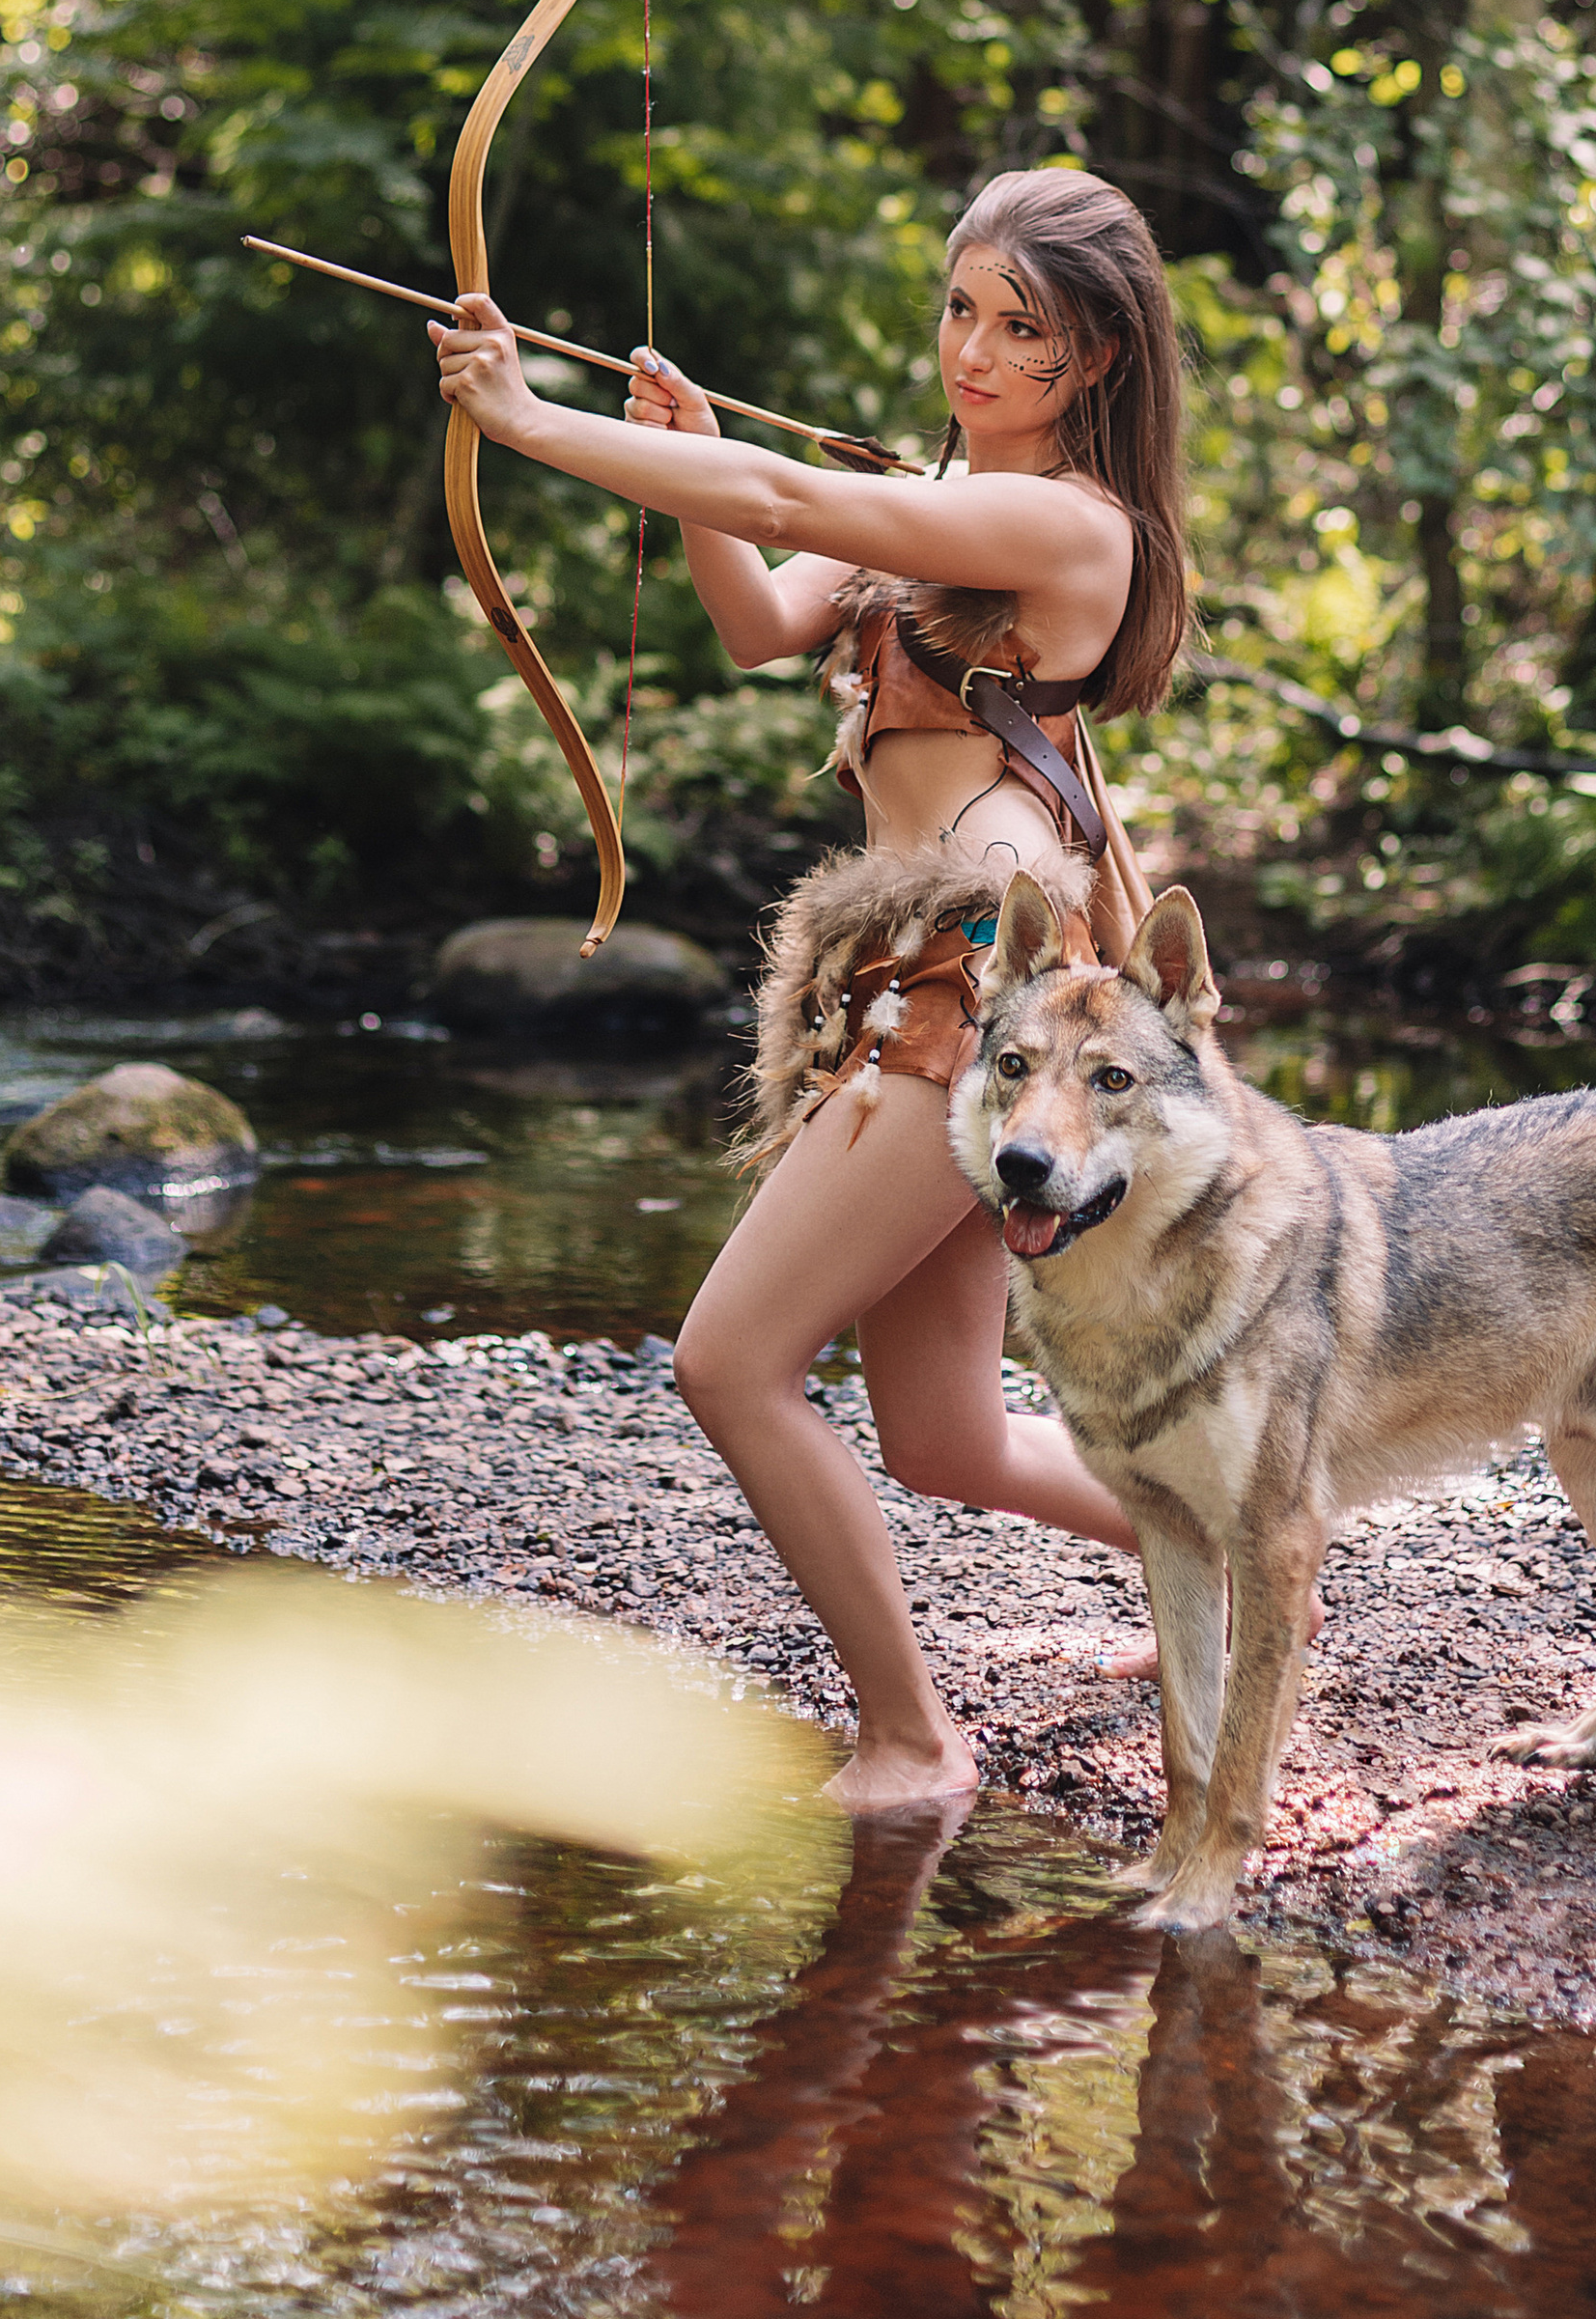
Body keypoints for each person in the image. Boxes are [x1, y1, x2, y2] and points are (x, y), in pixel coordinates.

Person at [429, 166, 1190, 1807]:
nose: (973, 352)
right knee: (945, 1439)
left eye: (1023, 332)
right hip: (930, 987)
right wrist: (693, 458)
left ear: (1100, 359)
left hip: (979, 1006)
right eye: (962, 310)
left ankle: (915, 1739)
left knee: (728, 1362)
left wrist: (532, 421)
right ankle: (1235, 1563)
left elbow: (787, 496)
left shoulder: (1070, 526)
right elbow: (761, 619)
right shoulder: (943, 502)